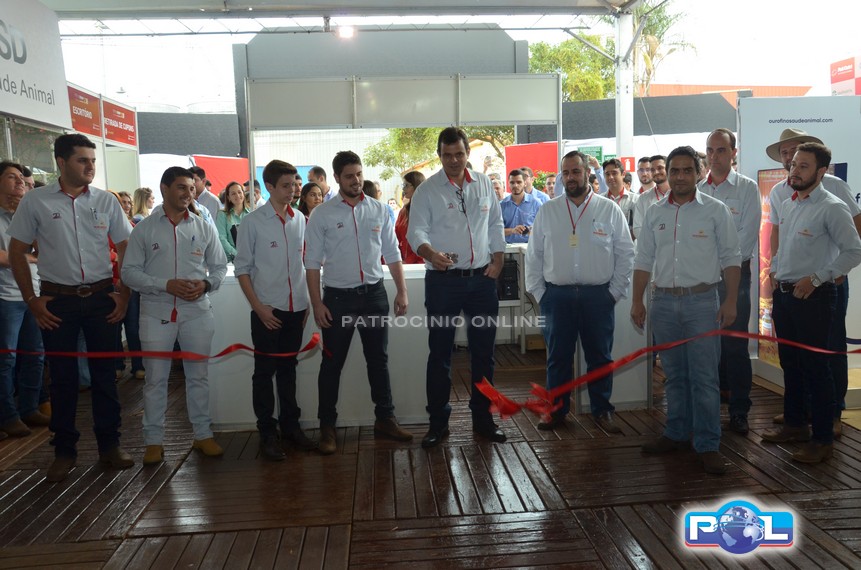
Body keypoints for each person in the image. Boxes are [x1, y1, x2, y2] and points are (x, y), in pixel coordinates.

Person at [7, 133, 134, 482]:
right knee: (63, 380)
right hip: (57, 301)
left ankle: (110, 445)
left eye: (93, 160)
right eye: (82, 160)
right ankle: (64, 451)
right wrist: (31, 300)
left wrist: (123, 294)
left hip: (101, 298)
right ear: (61, 163)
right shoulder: (36, 201)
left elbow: (126, 245)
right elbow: (17, 251)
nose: (90, 166)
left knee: (105, 377)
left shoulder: (106, 201)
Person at [631, 145, 741, 475]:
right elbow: (643, 259)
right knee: (674, 375)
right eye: (674, 170)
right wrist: (637, 300)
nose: (680, 176)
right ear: (668, 173)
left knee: (705, 378)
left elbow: (731, 257)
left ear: (698, 173)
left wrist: (731, 300)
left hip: (702, 304)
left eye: (686, 170)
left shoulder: (716, 211)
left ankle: (707, 444)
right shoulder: (654, 212)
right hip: (663, 303)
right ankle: (677, 433)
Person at [304, 150, 412, 455]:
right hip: (338, 300)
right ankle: (327, 427)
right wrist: (317, 304)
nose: (356, 180)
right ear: (337, 178)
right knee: (332, 365)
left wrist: (402, 291)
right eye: (349, 176)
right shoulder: (322, 215)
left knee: (378, 360)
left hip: (374, 296)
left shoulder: (378, 209)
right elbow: (311, 263)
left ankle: (385, 419)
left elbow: (392, 253)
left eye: (359, 174)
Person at [761, 143, 861, 463]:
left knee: (817, 369)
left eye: (803, 166)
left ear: (821, 172)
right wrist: (775, 272)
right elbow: (784, 247)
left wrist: (818, 278)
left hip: (814, 297)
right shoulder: (789, 203)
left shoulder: (832, 207)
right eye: (793, 165)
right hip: (786, 295)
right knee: (791, 364)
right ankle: (794, 424)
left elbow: (854, 251)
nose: (794, 170)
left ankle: (822, 439)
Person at [408, 127, 507, 448]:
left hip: (482, 281)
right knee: (440, 355)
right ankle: (438, 424)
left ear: (468, 153)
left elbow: (495, 224)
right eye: (447, 155)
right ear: (439, 155)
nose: (453, 160)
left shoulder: (483, 184)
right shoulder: (427, 191)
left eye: (459, 154)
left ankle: (484, 420)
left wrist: (499, 258)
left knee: (484, 354)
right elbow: (415, 232)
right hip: (443, 283)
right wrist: (430, 254)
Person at [122, 166, 228, 465]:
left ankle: (203, 435)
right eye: (182, 187)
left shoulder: (203, 226)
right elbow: (129, 273)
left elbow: (219, 267)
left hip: (197, 312)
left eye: (192, 189)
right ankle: (153, 441)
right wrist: (164, 284)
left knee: (198, 376)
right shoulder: (144, 228)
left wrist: (206, 284)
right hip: (156, 312)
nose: (188, 194)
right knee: (155, 379)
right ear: (165, 188)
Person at [525, 151, 634, 432]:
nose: (570, 177)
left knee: (600, 357)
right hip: (556, 297)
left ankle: (602, 410)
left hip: (598, 297)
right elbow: (534, 256)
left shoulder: (609, 209)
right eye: (566, 173)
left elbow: (625, 253)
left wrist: (614, 293)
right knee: (557, 358)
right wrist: (541, 294)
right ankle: (556, 412)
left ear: (588, 173)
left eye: (575, 171)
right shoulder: (548, 210)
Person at [234, 160, 316, 461]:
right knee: (264, 373)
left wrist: (305, 302)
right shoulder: (253, 222)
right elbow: (242, 269)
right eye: (285, 185)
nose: (293, 190)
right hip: (267, 311)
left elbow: (303, 264)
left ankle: (291, 428)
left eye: (295, 184)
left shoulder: (300, 220)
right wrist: (259, 308)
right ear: (269, 187)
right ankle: (267, 434)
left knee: (288, 370)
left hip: (297, 309)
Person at [698, 128, 760, 435]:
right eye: (710, 150)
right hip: (702, 280)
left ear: (733, 153)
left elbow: (746, 237)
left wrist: (722, 266)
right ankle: (707, 410)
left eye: (721, 150)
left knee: (735, 347)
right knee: (706, 347)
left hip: (735, 276)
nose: (714, 156)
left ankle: (739, 411)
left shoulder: (747, 188)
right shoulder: (699, 189)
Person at [0, 161, 48, 439]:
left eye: (21, 178)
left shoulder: (25, 214)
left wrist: (26, 217)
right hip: (5, 297)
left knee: (35, 355)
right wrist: (25, 256)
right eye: (12, 177)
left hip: (32, 295)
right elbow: (4, 257)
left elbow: (44, 249)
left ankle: (29, 408)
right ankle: (7, 415)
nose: (20, 182)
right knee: (6, 359)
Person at [109, 191, 144, 381]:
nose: (126, 206)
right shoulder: (102, 228)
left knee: (133, 327)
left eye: (128, 202)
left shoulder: (133, 226)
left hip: (130, 284)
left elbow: (136, 254)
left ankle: (138, 365)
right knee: (114, 327)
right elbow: (102, 255)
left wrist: (115, 255)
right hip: (110, 285)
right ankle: (117, 365)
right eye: (122, 202)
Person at [632, 155, 670, 239]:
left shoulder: (678, 194)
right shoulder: (643, 198)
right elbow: (637, 228)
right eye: (652, 170)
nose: (656, 172)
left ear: (668, 168)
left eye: (660, 168)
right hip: (651, 245)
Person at [500, 169, 541, 243]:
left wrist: (532, 230)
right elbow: (496, 230)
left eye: (519, 182)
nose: (515, 185)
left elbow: (544, 227)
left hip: (529, 246)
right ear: (508, 184)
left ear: (525, 183)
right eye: (512, 182)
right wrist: (512, 230)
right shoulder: (501, 205)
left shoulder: (536, 203)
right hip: (508, 247)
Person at [216, 181, 251, 263]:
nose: (237, 195)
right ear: (228, 197)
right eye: (233, 194)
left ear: (243, 193)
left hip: (250, 258)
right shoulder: (222, 214)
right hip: (230, 260)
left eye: (239, 192)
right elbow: (222, 238)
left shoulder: (251, 213)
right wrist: (237, 254)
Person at [395, 171, 425, 264]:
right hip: (405, 262)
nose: (403, 188)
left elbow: (426, 241)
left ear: (417, 186)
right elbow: (396, 237)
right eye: (403, 185)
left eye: (406, 185)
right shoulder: (403, 211)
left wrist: (408, 261)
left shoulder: (426, 210)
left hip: (421, 263)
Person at [603, 158, 637, 234]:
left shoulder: (635, 200)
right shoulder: (600, 200)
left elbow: (638, 227)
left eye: (614, 173)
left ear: (623, 174)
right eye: (607, 174)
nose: (610, 177)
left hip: (629, 240)